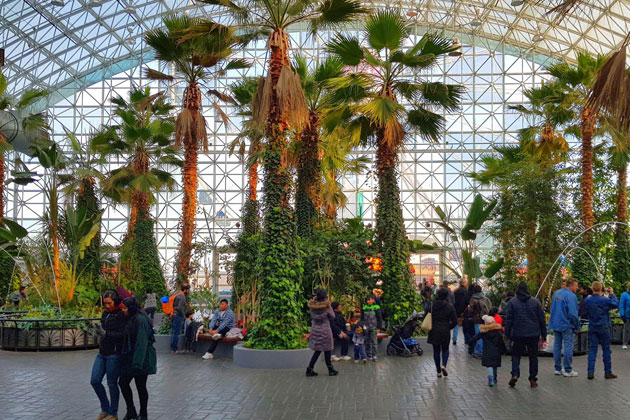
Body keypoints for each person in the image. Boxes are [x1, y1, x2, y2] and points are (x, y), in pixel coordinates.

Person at [118, 297, 156, 420]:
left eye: (125, 308)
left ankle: (142, 413)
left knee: (139, 385)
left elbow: (142, 341)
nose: (123, 310)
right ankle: (133, 411)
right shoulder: (133, 318)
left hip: (140, 358)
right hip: (133, 357)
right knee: (126, 383)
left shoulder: (140, 319)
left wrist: (137, 363)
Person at [504, 281, 546, 388]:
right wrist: (544, 335)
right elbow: (542, 320)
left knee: (516, 355)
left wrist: (507, 334)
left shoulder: (512, 303)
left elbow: (509, 320)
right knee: (533, 357)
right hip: (533, 334)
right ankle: (532, 379)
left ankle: (515, 374)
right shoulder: (535, 302)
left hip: (518, 333)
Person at [91, 291, 126, 420]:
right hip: (102, 352)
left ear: (115, 302)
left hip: (114, 353)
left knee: (112, 383)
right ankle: (105, 408)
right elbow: (103, 329)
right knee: (95, 380)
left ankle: (113, 412)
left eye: (109, 303)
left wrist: (106, 334)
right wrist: (97, 330)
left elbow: (123, 334)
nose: (106, 306)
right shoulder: (105, 313)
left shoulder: (121, 314)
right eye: (105, 303)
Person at [584, 282, 618, 380]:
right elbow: (615, 304)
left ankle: (590, 371)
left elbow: (585, 310)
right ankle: (608, 372)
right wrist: (611, 294)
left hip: (592, 327)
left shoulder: (588, 300)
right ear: (602, 289)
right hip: (604, 326)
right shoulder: (605, 300)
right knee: (606, 349)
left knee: (592, 349)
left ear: (592, 288)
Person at [547, 278, 580, 377]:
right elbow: (573, 313)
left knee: (557, 346)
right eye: (576, 286)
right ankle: (568, 369)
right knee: (568, 346)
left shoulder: (556, 294)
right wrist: (577, 325)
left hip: (556, 323)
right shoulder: (571, 296)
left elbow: (552, 308)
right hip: (567, 324)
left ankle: (557, 368)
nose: (577, 288)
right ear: (571, 286)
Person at [306, 289, 340, 377]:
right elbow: (333, 315)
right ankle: (330, 369)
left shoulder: (312, 306)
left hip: (315, 329)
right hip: (325, 329)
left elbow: (311, 316)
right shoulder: (327, 306)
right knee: (327, 349)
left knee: (317, 350)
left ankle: (309, 368)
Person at [427, 288, 457, 378]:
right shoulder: (449, 306)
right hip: (445, 329)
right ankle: (444, 365)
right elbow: (455, 321)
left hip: (434, 329)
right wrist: (449, 327)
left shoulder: (432, 305)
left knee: (436, 350)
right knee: (445, 349)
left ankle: (438, 371)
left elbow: (426, 316)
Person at [469, 315, 504, 387]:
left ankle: (490, 379)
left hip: (487, 351)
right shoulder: (498, 333)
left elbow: (475, 338)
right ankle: (495, 379)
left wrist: (470, 342)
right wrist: (503, 351)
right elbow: (502, 343)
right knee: (495, 366)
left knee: (489, 366)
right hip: (496, 351)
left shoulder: (484, 332)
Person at [361, 294, 383, 361]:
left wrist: (378, 328)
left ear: (373, 300)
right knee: (366, 341)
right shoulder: (364, 308)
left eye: (369, 300)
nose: (368, 301)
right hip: (366, 328)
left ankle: (374, 355)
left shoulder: (376, 307)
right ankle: (368, 354)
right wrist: (362, 326)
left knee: (374, 342)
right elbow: (362, 318)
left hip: (374, 328)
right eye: (367, 300)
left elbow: (379, 318)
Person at [170, 284, 190, 354]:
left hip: (173, 314)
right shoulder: (182, 297)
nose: (189, 291)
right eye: (188, 289)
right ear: (185, 290)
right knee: (176, 332)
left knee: (173, 332)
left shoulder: (177, 295)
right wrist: (184, 316)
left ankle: (173, 349)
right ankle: (175, 349)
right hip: (178, 316)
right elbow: (180, 308)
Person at [453, 280, 469, 345]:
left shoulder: (455, 291)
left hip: (456, 310)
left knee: (455, 325)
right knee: (465, 326)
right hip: (464, 311)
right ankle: (466, 340)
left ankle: (454, 338)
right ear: (464, 283)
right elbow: (467, 302)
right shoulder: (466, 291)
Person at [618, 283, 630, 350]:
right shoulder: (624, 295)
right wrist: (622, 315)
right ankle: (625, 343)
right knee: (626, 329)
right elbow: (621, 305)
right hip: (627, 315)